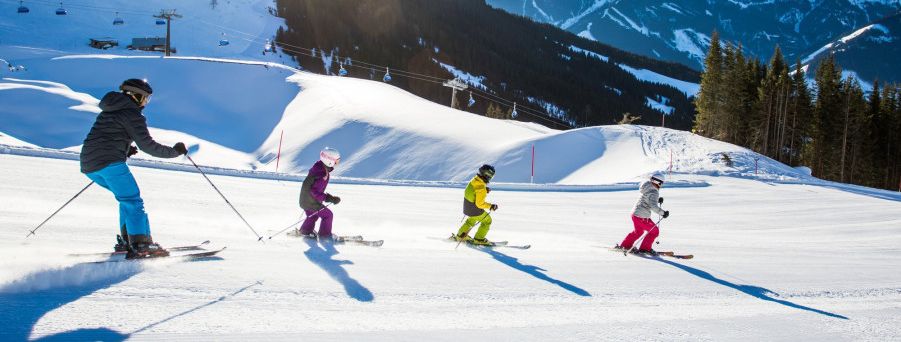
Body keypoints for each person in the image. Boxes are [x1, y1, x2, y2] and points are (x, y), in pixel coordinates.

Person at [80, 78, 188, 259]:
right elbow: (148, 146)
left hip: (89, 164)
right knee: (133, 201)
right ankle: (141, 244)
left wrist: (123, 148)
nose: (146, 103)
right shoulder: (132, 114)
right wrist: (174, 152)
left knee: (126, 200)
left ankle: (126, 241)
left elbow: (106, 135)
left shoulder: (111, 109)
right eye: (145, 98)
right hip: (109, 163)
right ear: (135, 96)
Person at [616, 173, 669, 255]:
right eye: (660, 183)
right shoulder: (654, 191)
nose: (660, 185)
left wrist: (657, 200)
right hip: (642, 216)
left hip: (635, 214)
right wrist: (663, 213)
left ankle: (625, 245)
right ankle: (645, 248)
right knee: (654, 231)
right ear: (656, 182)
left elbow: (647, 199)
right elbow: (653, 206)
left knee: (638, 232)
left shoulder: (646, 187)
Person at [298, 147, 342, 241]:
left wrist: (328, 198)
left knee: (313, 215)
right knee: (328, 215)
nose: (337, 164)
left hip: (306, 199)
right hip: (310, 201)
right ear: (329, 160)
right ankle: (325, 235)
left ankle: (305, 231)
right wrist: (330, 198)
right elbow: (315, 192)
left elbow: (314, 190)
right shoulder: (321, 173)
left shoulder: (320, 168)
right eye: (336, 161)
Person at [453, 164, 498, 246]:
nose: (491, 178)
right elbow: (480, 204)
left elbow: (473, 191)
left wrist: (484, 190)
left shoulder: (475, 180)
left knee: (471, 220)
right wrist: (491, 206)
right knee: (487, 221)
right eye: (491, 175)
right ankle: (479, 239)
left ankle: (460, 235)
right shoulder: (481, 186)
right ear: (487, 174)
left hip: (467, 207)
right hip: (474, 209)